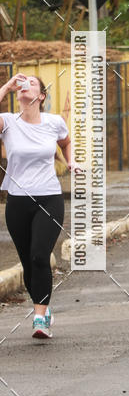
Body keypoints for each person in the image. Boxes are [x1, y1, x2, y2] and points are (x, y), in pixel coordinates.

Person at [0, 73, 71, 338]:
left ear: (41, 96)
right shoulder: (7, 122)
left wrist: (70, 161)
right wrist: (5, 87)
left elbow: (66, 142)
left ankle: (39, 319)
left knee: (40, 256)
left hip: (49, 198)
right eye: (21, 83)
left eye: (32, 83)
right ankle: (44, 307)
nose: (24, 85)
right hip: (18, 202)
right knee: (28, 263)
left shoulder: (54, 122)